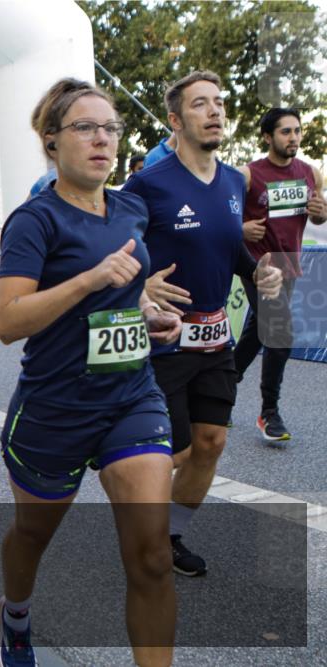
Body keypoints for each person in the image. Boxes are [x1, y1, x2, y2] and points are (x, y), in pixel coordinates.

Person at [0, 77, 183, 667]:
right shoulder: (35, 221)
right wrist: (88, 280)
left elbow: (125, 294)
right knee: (32, 535)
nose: (102, 139)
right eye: (85, 127)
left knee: (152, 555)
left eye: (110, 128)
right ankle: (15, 615)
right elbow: (8, 321)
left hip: (132, 397)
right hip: (56, 407)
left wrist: (147, 312)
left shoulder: (130, 208)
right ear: (51, 140)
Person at [124, 71, 283, 578]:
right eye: (200, 104)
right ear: (175, 120)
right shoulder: (148, 184)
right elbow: (113, 248)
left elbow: (229, 247)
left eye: (218, 102)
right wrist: (141, 285)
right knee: (173, 452)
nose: (215, 111)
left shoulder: (236, 181)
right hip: (164, 340)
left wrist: (257, 272)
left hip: (215, 338)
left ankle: (167, 537)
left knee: (211, 443)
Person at [234, 107, 326, 441]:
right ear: (267, 137)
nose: (294, 138)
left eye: (297, 131)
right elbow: (222, 217)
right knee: (281, 332)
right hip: (256, 266)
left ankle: (220, 390)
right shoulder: (247, 175)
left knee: (257, 332)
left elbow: (317, 218)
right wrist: (241, 228)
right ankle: (269, 413)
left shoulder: (312, 173)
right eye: (286, 132)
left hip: (289, 265)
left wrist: (321, 213)